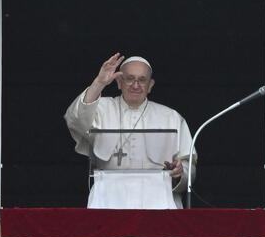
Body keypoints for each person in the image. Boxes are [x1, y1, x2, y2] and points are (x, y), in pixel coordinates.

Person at [64, 53, 196, 208]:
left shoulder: (171, 117)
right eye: (129, 78)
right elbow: (75, 119)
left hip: (157, 200)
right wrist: (99, 83)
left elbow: (189, 166)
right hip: (109, 198)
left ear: (151, 85)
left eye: (142, 80)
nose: (135, 85)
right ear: (119, 82)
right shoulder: (100, 108)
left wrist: (180, 171)